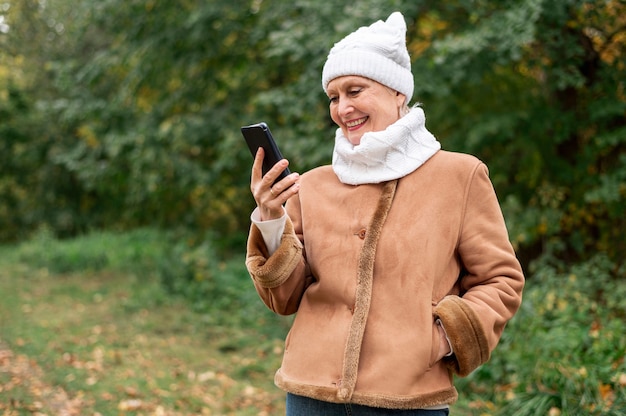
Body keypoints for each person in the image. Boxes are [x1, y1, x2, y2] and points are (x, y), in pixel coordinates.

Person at [245, 11, 524, 416]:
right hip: (310, 396)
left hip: (409, 398)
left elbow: (501, 280)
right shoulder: (315, 184)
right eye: (334, 97)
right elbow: (284, 300)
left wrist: (443, 337)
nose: (343, 108)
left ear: (397, 93)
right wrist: (271, 219)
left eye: (355, 90)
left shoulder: (460, 175)